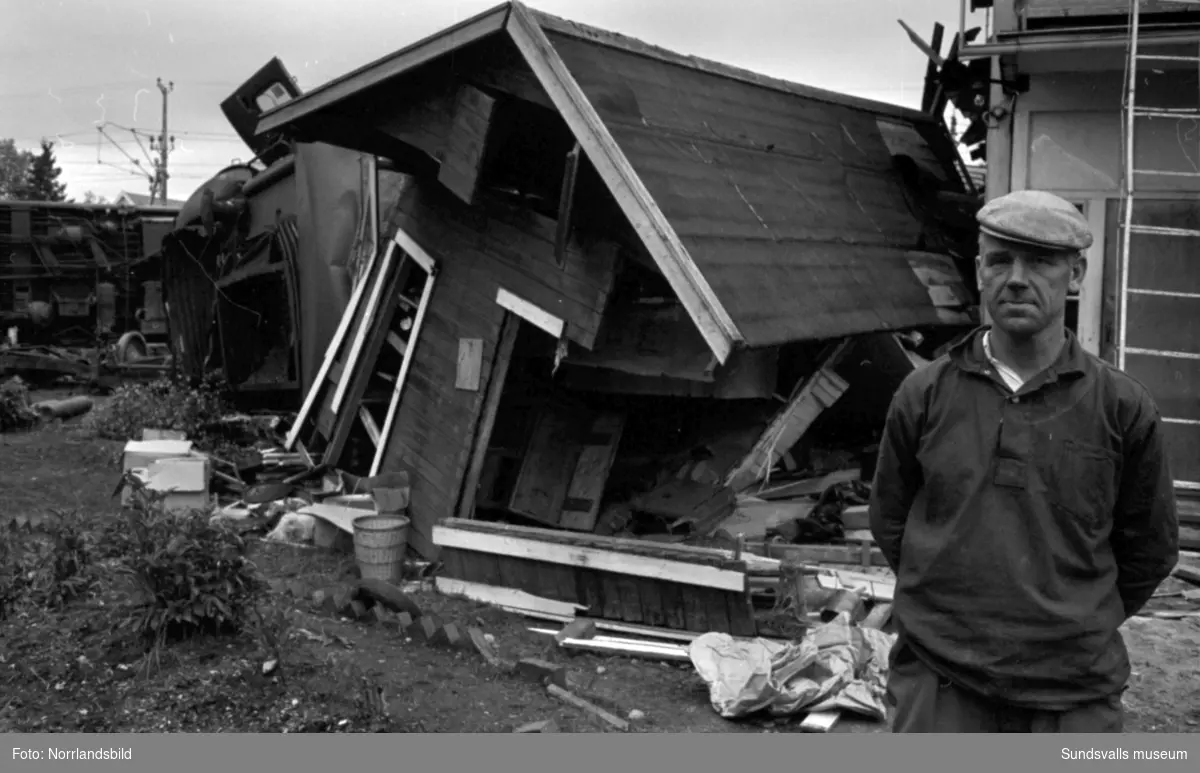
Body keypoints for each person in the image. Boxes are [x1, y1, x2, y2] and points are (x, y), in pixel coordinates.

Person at [868, 189, 1178, 733]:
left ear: (1076, 274)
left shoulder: (1121, 407)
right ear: (979, 271)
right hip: (942, 685)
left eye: (1040, 261)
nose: (1016, 277)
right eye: (1000, 259)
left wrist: (1071, 622)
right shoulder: (924, 395)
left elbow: (1149, 549)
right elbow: (891, 520)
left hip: (1073, 693)